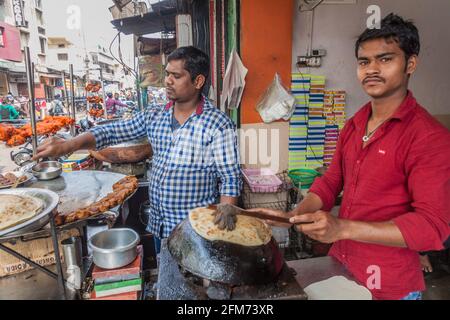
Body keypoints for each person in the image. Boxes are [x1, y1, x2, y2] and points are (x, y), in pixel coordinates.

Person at [250, 13, 450, 300]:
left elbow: (433, 226)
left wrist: (342, 227)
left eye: (385, 59)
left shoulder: (429, 137)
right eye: (364, 61)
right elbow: (331, 181)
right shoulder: (355, 124)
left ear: (411, 64)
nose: (371, 69)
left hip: (390, 283)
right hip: (343, 266)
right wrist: (295, 215)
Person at [32, 46, 242, 253]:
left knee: (193, 284)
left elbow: (230, 178)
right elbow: (113, 131)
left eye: (176, 76)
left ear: (198, 81)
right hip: (162, 225)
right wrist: (70, 144)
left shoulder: (218, 124)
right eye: (167, 74)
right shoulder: (155, 115)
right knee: (166, 277)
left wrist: (225, 212)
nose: (167, 81)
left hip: (195, 229)